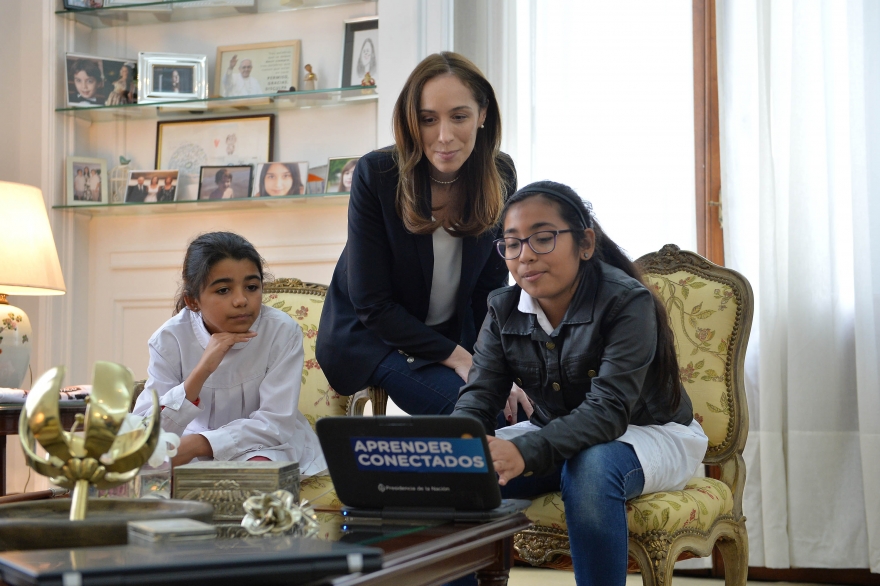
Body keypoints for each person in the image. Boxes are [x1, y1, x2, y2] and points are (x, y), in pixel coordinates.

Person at [452, 181, 709, 585]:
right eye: (513, 244)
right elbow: (479, 394)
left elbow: (608, 413)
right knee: (463, 474)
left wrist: (525, 451)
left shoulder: (627, 301)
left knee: (590, 467)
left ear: (585, 243)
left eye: (542, 238)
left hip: (648, 432)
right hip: (556, 430)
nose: (526, 256)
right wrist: (464, 445)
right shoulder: (502, 308)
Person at [317, 51, 528, 424]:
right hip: (374, 339)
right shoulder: (378, 174)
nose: (444, 136)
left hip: (452, 336)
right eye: (428, 120)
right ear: (411, 123)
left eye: (459, 116)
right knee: (486, 418)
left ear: (483, 116)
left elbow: (489, 291)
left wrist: (493, 365)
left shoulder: (500, 173)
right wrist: (464, 361)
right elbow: (372, 305)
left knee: (535, 410)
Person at [132, 232, 326, 474]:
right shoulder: (169, 339)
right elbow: (146, 432)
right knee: (147, 472)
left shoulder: (281, 331)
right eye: (223, 290)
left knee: (257, 477)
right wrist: (202, 371)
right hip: (184, 444)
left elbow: (275, 423)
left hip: (264, 444)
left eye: (252, 287)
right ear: (193, 301)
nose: (241, 300)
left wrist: (199, 444)